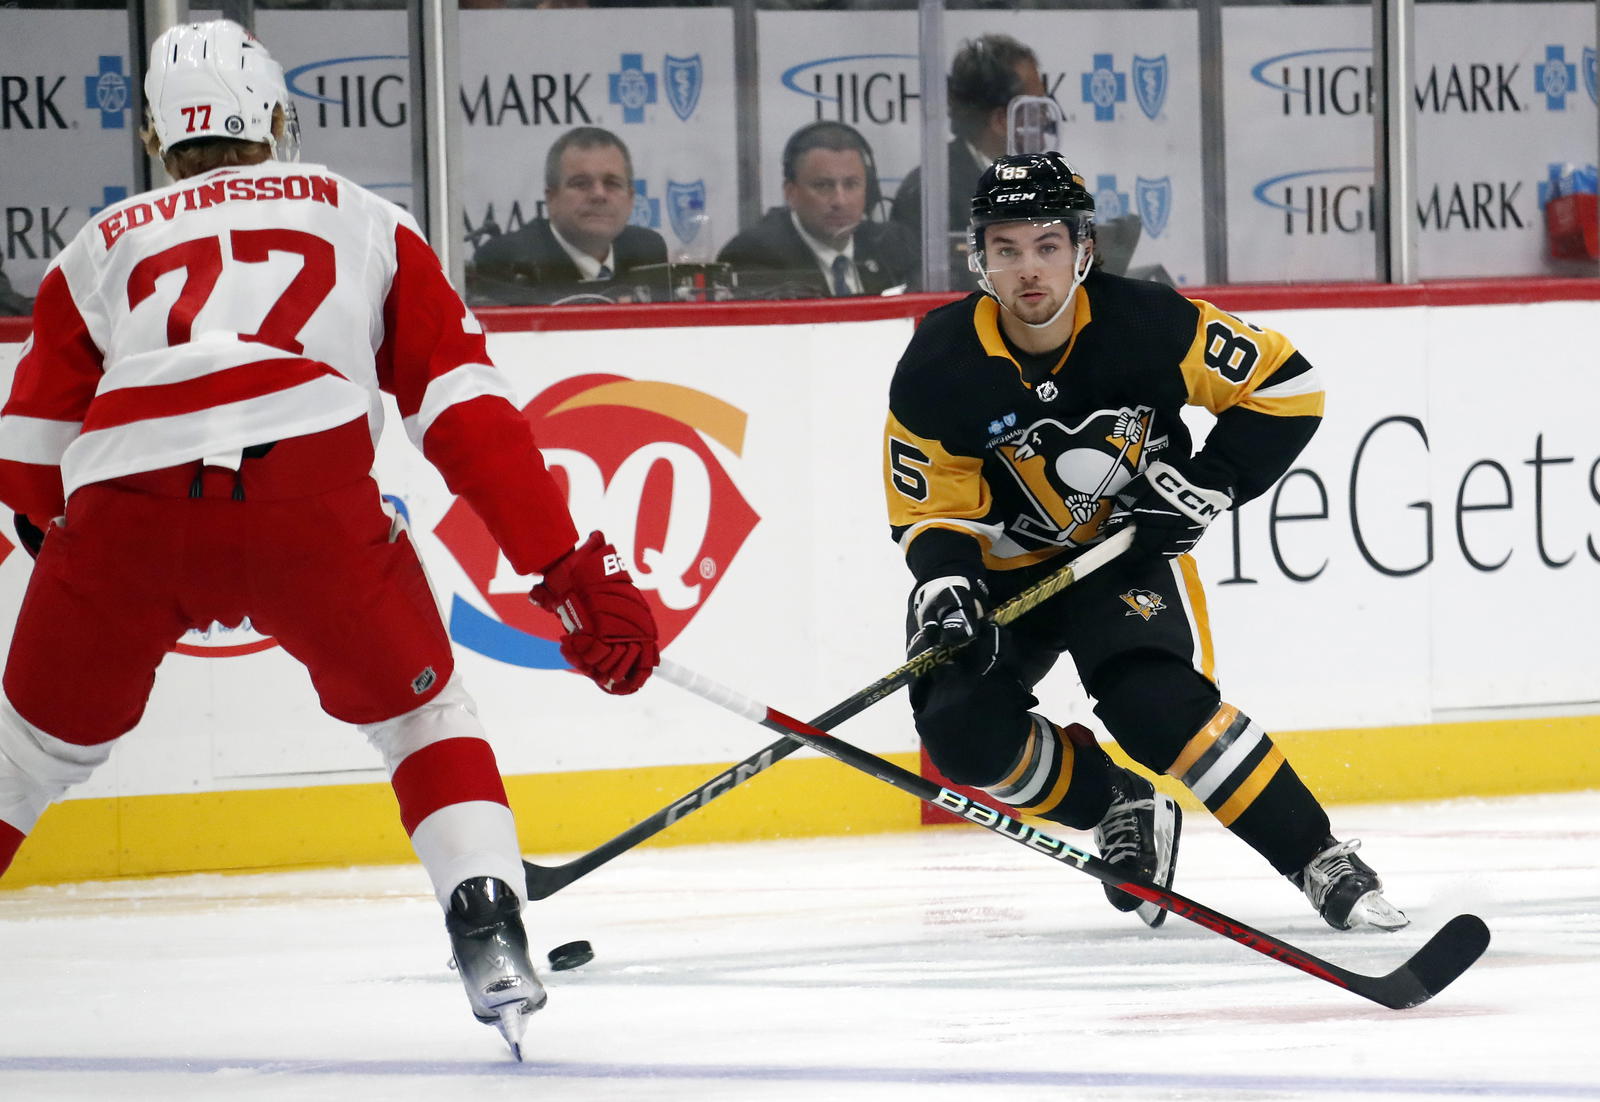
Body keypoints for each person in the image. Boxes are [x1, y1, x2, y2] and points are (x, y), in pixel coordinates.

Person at [0, 21, 659, 1059]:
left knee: (23, 755)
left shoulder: (101, 242)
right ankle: (488, 925)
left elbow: (31, 462)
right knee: (425, 715)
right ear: (273, 116)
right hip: (309, 483)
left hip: (127, 499)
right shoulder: (360, 216)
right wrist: (564, 571)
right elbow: (465, 416)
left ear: (157, 134)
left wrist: (92, 574)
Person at [883, 151, 1407, 934]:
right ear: (980, 257)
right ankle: (1115, 801)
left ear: (1082, 250)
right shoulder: (939, 362)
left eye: (1048, 246)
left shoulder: (1149, 324)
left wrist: (1207, 483)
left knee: (1154, 705)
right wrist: (947, 585)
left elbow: (1288, 386)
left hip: (1119, 555)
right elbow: (932, 509)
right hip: (1003, 576)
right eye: (1007, 249)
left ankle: (1317, 856)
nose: (1030, 270)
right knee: (960, 734)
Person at [467, 126, 667, 303]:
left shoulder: (647, 251)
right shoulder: (508, 261)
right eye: (581, 183)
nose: (599, 194)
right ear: (551, 198)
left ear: (631, 198)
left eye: (612, 183)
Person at [717, 121, 916, 298]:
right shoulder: (755, 255)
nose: (840, 200)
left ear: (869, 190)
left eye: (851, 184)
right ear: (791, 193)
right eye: (823, 185)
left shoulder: (895, 245)